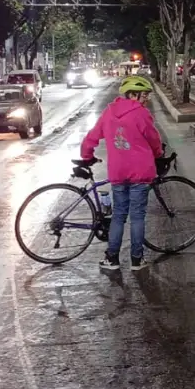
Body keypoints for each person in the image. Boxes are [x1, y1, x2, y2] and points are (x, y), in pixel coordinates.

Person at [82, 76, 165, 271]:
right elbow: (154, 139)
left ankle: (112, 259)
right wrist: (159, 154)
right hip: (140, 172)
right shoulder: (141, 114)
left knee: (119, 215)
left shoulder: (109, 112)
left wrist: (87, 155)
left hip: (118, 172)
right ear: (133, 94)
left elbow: (92, 137)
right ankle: (137, 260)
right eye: (144, 95)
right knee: (137, 216)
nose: (146, 99)